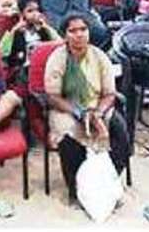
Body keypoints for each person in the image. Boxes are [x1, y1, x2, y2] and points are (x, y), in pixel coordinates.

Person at [43, 12, 130, 205]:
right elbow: (53, 96)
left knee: (120, 130)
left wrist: (97, 113)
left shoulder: (100, 56)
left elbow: (110, 93)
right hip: (67, 108)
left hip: (98, 106)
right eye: (72, 31)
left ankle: (107, 183)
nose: (79, 34)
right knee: (68, 134)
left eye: (83, 29)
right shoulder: (58, 58)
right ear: (65, 35)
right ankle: (76, 189)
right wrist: (80, 113)